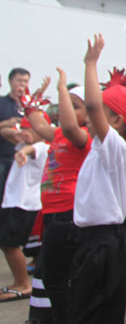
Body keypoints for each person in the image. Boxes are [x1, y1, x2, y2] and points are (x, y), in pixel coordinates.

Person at [66, 35, 126, 323]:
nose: (87, 116)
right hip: (96, 242)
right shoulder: (104, 150)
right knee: (88, 311)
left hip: (102, 245)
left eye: (97, 112)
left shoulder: (115, 148)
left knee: (92, 315)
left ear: (116, 121)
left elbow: (94, 109)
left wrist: (90, 63)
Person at [22, 76, 90, 324]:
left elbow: (70, 126)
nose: (67, 110)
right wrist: (27, 100)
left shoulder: (80, 136)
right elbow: (38, 125)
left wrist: (62, 88)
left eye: (75, 106)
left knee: (56, 278)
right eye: (67, 104)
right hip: (51, 213)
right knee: (53, 276)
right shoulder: (58, 134)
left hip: (67, 213)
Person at [0, 120, 48, 302]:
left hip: (25, 203)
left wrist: (23, 151)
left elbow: (30, 150)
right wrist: (18, 134)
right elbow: (4, 132)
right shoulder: (23, 142)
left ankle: (24, 284)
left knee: (11, 244)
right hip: (13, 201)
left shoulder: (42, 146)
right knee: (6, 244)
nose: (26, 132)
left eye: (30, 129)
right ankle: (18, 281)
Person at [0, 68, 30, 203]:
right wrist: (7, 123)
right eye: (19, 80)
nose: (22, 84)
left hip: (24, 159)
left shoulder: (31, 107)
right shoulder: (1, 102)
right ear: (10, 81)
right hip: (2, 157)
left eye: (25, 81)